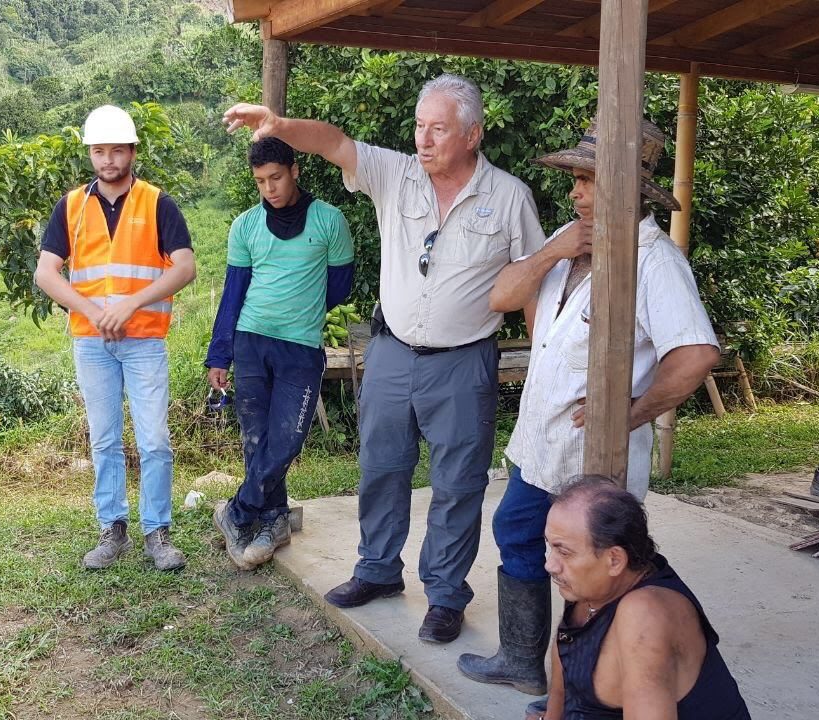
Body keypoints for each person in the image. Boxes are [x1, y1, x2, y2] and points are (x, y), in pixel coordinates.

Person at [224, 74, 545, 642]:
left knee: (457, 483)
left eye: (438, 128)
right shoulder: (397, 176)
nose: (423, 139)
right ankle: (377, 570)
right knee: (380, 469)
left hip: (464, 360)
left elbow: (532, 284)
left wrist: (543, 365)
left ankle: (445, 595)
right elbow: (335, 143)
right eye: (420, 126)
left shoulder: (509, 198)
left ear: (473, 134)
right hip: (392, 353)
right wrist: (281, 128)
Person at [457, 118, 721, 697]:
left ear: (625, 190)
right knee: (519, 531)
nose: (575, 192)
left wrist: (629, 413)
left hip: (593, 455)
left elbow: (697, 354)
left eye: (588, 181)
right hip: (541, 442)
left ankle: (583, 688)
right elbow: (501, 297)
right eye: (575, 180)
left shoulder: (654, 261)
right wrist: (553, 250)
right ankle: (525, 661)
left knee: (596, 574)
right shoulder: (568, 240)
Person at [34, 105, 196, 571]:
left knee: (154, 440)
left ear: (132, 152)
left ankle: (157, 532)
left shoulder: (157, 202)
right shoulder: (71, 207)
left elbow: (184, 266)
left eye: (116, 150)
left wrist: (130, 304)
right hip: (91, 341)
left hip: (144, 338)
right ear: (91, 153)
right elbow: (48, 272)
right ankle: (112, 528)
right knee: (103, 439)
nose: (108, 159)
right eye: (99, 150)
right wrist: (91, 310)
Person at [206, 138, 354, 570]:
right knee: (257, 442)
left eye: (275, 177)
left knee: (287, 440)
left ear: (295, 171)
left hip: (301, 348)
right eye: (260, 181)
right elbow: (233, 295)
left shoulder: (330, 221)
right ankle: (272, 520)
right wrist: (220, 356)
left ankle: (237, 509)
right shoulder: (245, 226)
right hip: (251, 342)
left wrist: (299, 310)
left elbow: (338, 288)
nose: (269, 188)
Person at [534, 476, 751, 719]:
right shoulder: (590, 583)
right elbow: (563, 689)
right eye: (550, 547)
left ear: (615, 560)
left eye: (563, 551)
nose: (550, 565)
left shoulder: (645, 615)